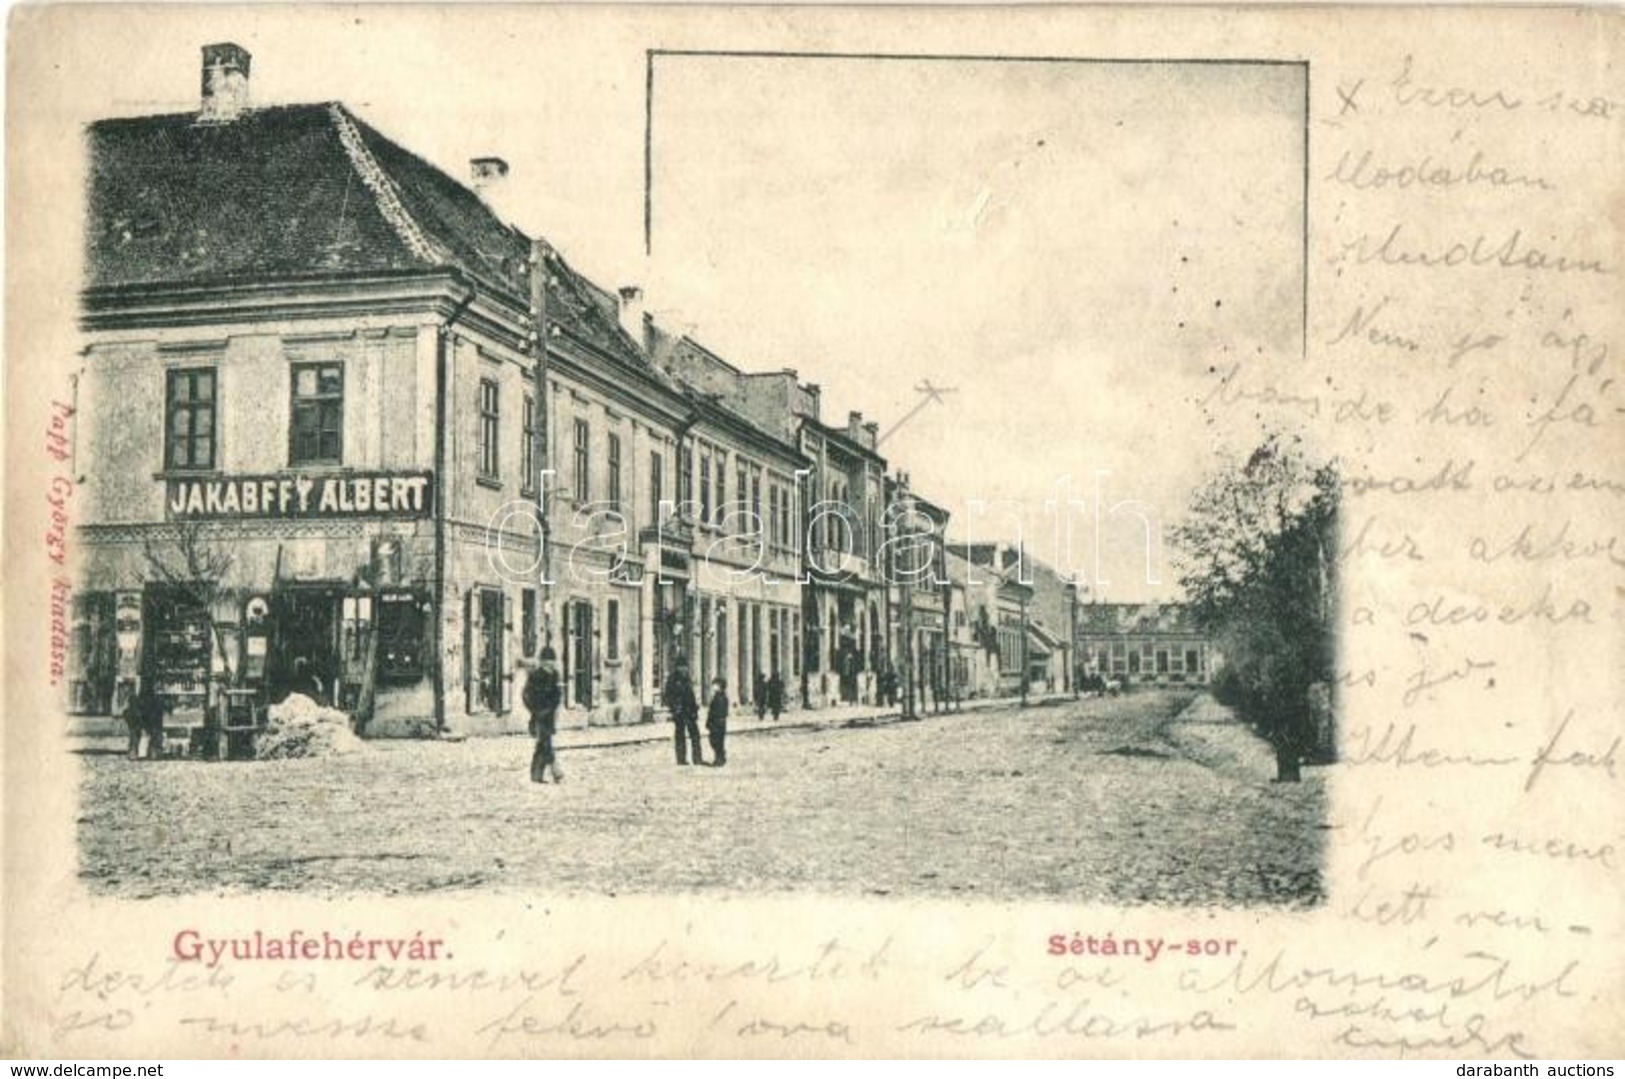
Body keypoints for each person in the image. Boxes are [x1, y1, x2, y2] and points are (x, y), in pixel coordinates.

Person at [524, 647, 564, 784]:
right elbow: (527, 695)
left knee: (542, 744)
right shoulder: (535, 676)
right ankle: (555, 770)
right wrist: (535, 709)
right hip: (539, 715)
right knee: (545, 743)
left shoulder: (555, 676)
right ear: (543, 662)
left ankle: (536, 774)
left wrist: (553, 706)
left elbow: (558, 696)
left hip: (549, 715)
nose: (550, 664)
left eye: (552, 661)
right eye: (547, 662)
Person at [666, 656, 702, 765]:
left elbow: (691, 695)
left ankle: (697, 759)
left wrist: (695, 709)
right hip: (680, 712)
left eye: (685, 667)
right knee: (680, 735)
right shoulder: (672, 679)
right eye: (681, 667)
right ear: (677, 667)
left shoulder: (687, 678)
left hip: (690, 711)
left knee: (695, 735)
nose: (684, 669)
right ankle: (681, 759)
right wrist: (674, 708)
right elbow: (668, 696)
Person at [122, 677, 164, 760]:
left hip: (145, 702)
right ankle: (152, 749)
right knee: (150, 724)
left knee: (138, 724)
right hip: (144, 703)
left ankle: (138, 749)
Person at [706, 678, 729, 767]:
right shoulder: (718, 696)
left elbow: (717, 711)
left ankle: (719, 759)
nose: (713, 686)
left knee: (717, 741)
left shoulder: (721, 697)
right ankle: (720, 757)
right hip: (717, 722)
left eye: (715, 685)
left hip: (718, 723)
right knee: (715, 741)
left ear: (720, 686)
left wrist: (713, 721)